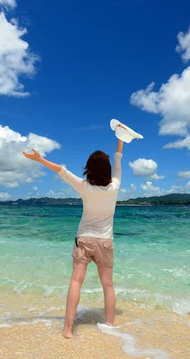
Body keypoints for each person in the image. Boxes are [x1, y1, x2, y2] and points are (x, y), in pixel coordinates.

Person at [22, 125, 125, 339]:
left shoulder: (84, 186)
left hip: (85, 239)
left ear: (88, 168)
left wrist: (40, 160)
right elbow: (118, 159)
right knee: (108, 285)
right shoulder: (114, 186)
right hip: (105, 241)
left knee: (76, 281)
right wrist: (121, 137)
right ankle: (109, 325)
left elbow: (61, 171)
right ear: (106, 170)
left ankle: (68, 329)